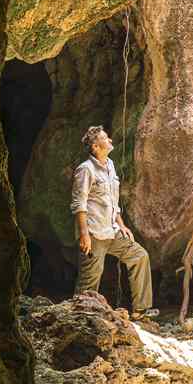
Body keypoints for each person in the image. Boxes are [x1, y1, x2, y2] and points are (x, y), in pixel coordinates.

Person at [69, 125, 154, 313]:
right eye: (105, 138)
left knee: (140, 256)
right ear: (95, 147)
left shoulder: (110, 165)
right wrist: (84, 235)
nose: (110, 140)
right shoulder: (86, 170)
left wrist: (122, 225)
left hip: (112, 232)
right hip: (94, 234)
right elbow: (79, 204)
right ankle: (79, 318)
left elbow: (113, 202)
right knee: (89, 282)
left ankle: (141, 310)